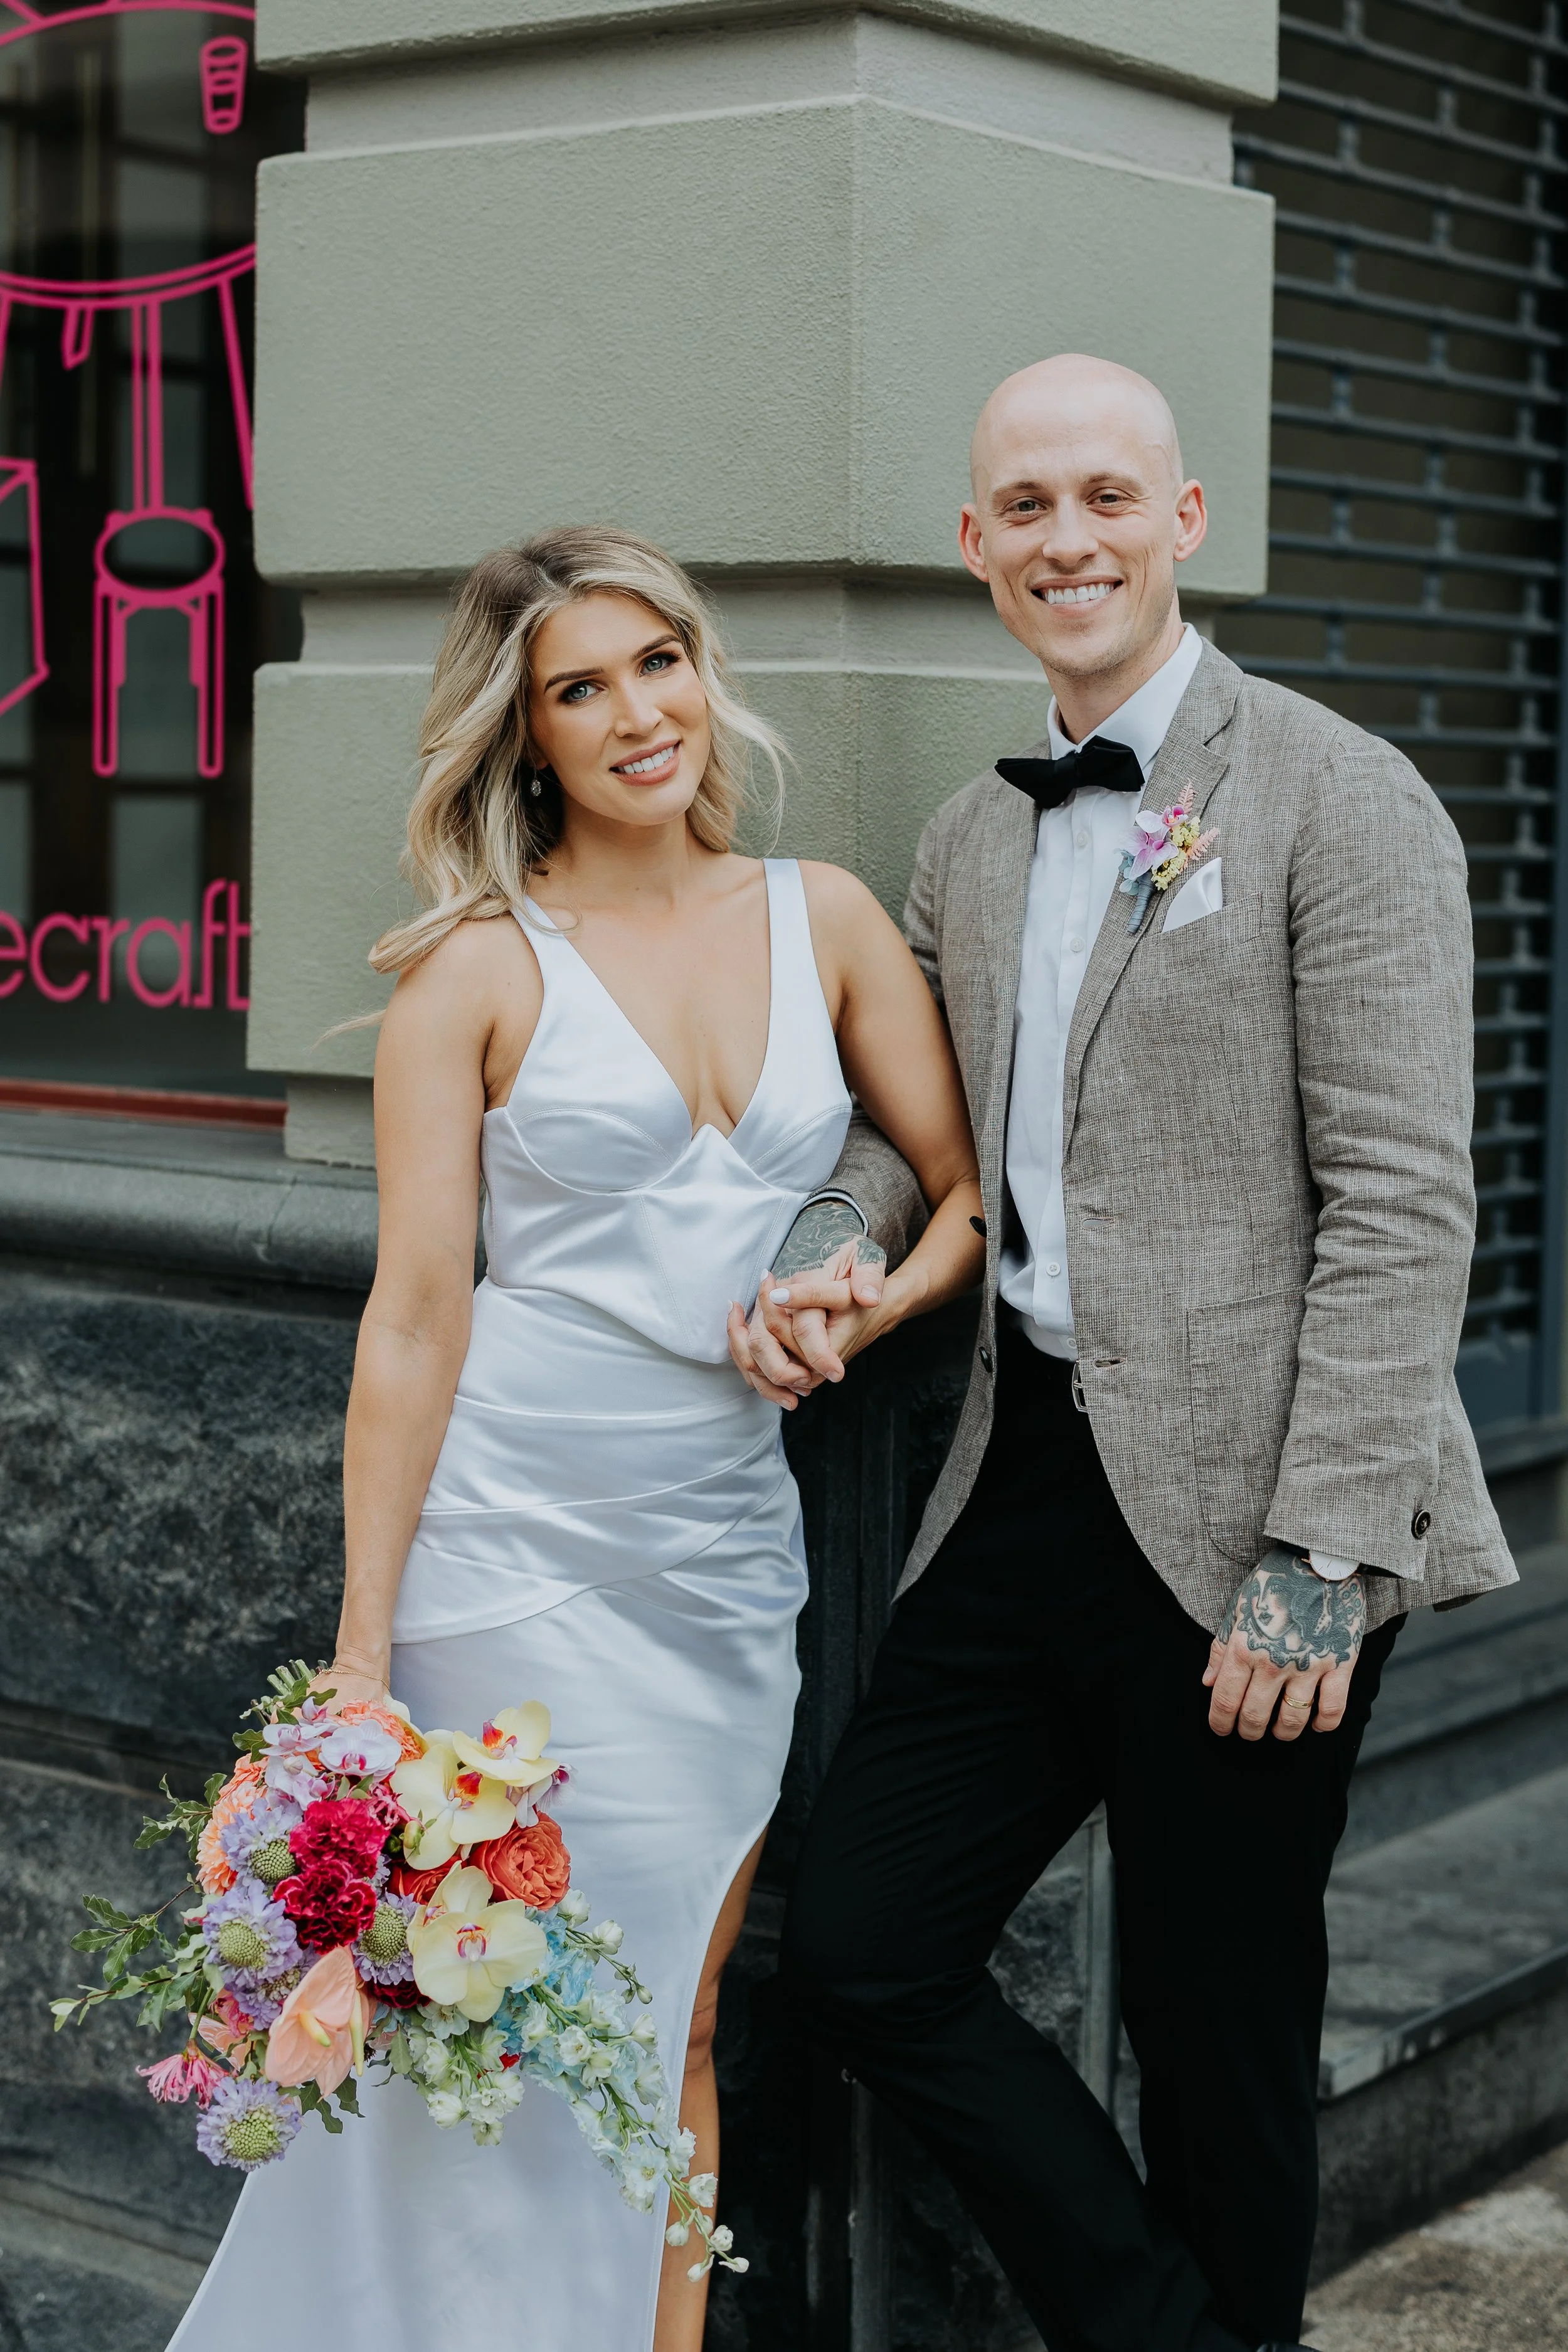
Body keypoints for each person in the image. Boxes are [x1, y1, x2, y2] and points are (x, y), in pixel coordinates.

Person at [731, 354, 1518, 2352]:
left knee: (1214, 2008)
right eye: (1023, 504)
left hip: (1268, 1493)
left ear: (1180, 521)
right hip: (1027, 1463)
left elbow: (1409, 1205)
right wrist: (832, 1259)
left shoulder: (1344, 799)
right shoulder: (965, 842)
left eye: (1104, 496)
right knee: (861, 1941)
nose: (1063, 537)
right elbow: (896, 1142)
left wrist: (1315, 1557)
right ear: (973, 544)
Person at [168, 526, 983, 2352]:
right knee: (490, 2022)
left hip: (716, 1548)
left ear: (704, 672)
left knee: (673, 2018)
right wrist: (364, 1653)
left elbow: (964, 1197)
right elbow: (414, 1314)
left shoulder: (824, 913)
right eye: (580, 688)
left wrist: (862, 1298)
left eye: (659, 664)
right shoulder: (471, 969)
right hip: (504, 1549)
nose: (637, 715)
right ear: (526, 736)